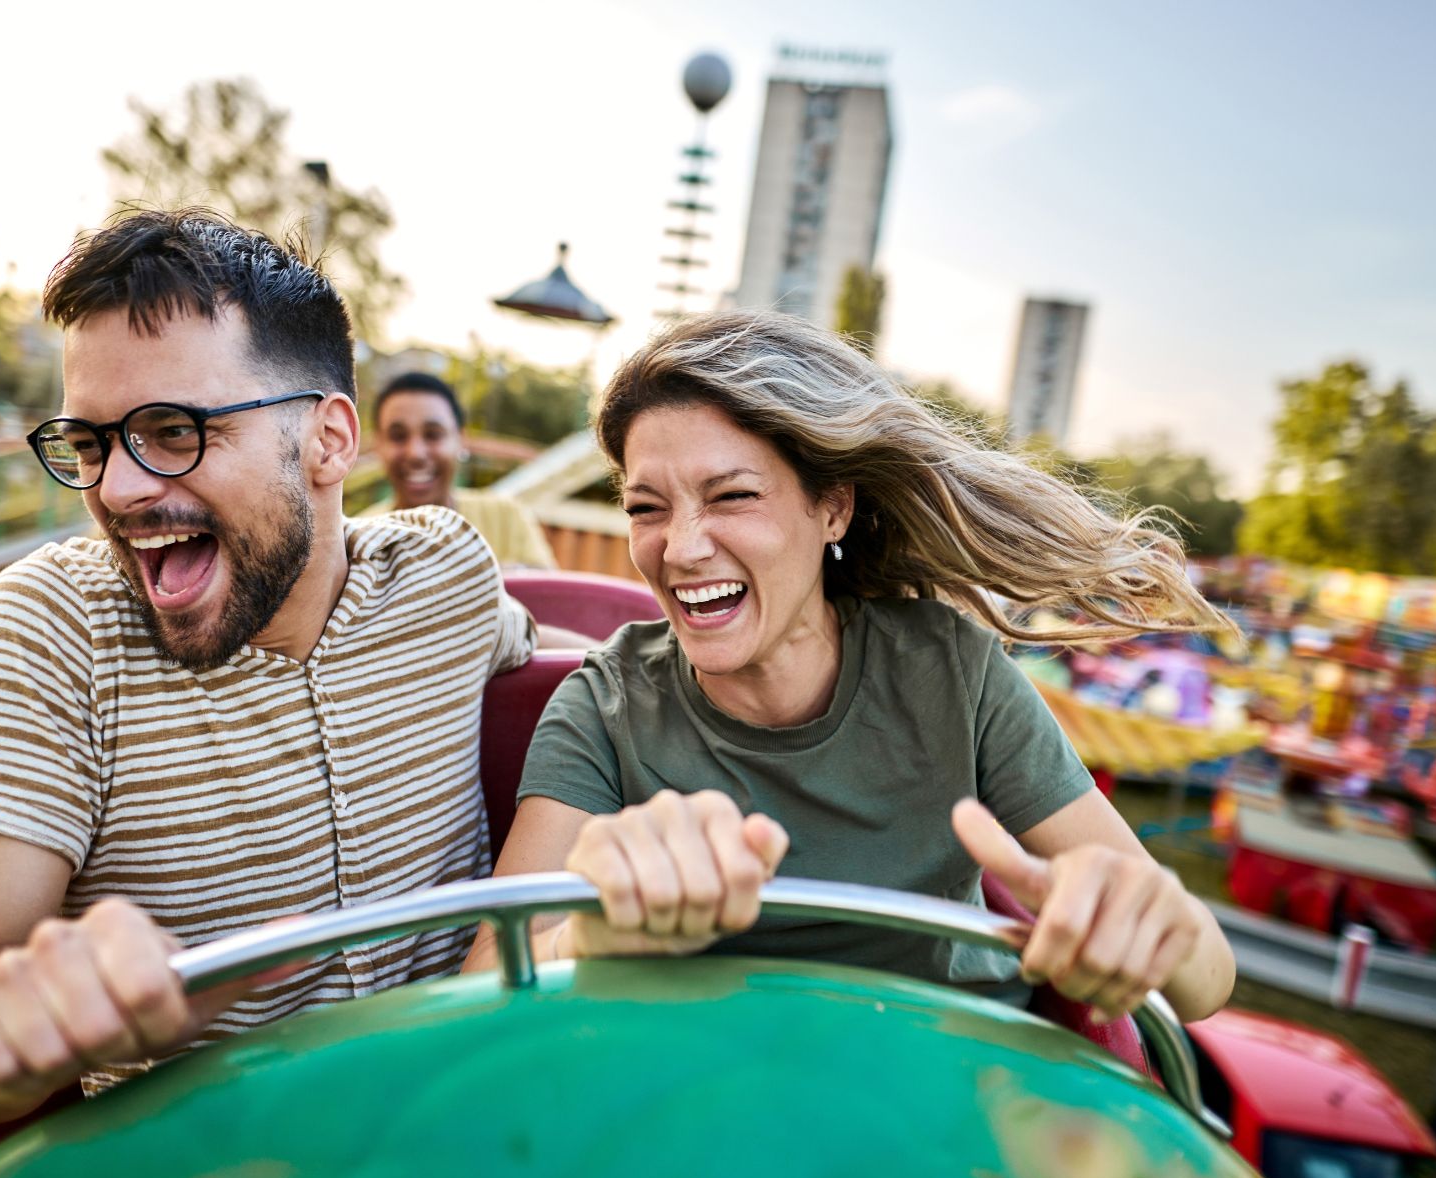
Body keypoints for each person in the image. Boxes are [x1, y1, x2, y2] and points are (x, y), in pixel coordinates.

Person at [0, 209, 535, 1122]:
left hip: (461, 1131)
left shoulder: (447, 574)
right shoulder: (47, 634)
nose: (116, 489)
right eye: (89, 444)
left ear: (329, 440)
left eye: (173, 430)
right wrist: (37, 1016)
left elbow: (591, 668)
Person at [466, 310, 1235, 1027]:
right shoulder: (602, 706)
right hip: (700, 1097)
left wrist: (1144, 930)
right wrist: (591, 936)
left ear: (831, 508)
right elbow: (477, 994)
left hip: (937, 1082)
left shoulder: (952, 673)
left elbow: (1204, 983)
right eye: (646, 508)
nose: (682, 546)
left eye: (731, 495)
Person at [365, 371, 559, 568]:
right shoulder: (361, 538)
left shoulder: (506, 517)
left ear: (461, 439)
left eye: (433, 435)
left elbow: (547, 591)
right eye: (398, 436)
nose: (415, 453)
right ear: (379, 444)